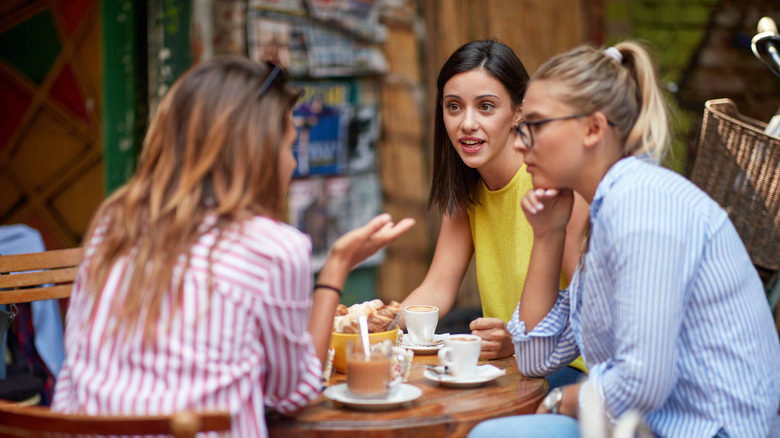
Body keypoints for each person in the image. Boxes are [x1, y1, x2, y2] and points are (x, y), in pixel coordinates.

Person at [50, 57, 415, 437]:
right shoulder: (272, 248)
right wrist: (335, 267)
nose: (293, 163)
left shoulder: (113, 222)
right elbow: (294, 394)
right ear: (256, 154)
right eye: (290, 147)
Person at [468, 41, 780, 437]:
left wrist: (559, 402)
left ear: (593, 128)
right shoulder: (607, 209)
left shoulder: (642, 207)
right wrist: (548, 236)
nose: (517, 142)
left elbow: (640, 383)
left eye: (536, 125)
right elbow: (536, 357)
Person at [399, 40, 588, 386]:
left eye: (486, 107)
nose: (466, 123)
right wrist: (378, 324)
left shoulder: (555, 185)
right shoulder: (467, 189)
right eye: (453, 107)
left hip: (569, 368)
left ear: (519, 110)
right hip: (501, 368)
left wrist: (518, 343)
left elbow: (592, 307)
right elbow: (437, 287)